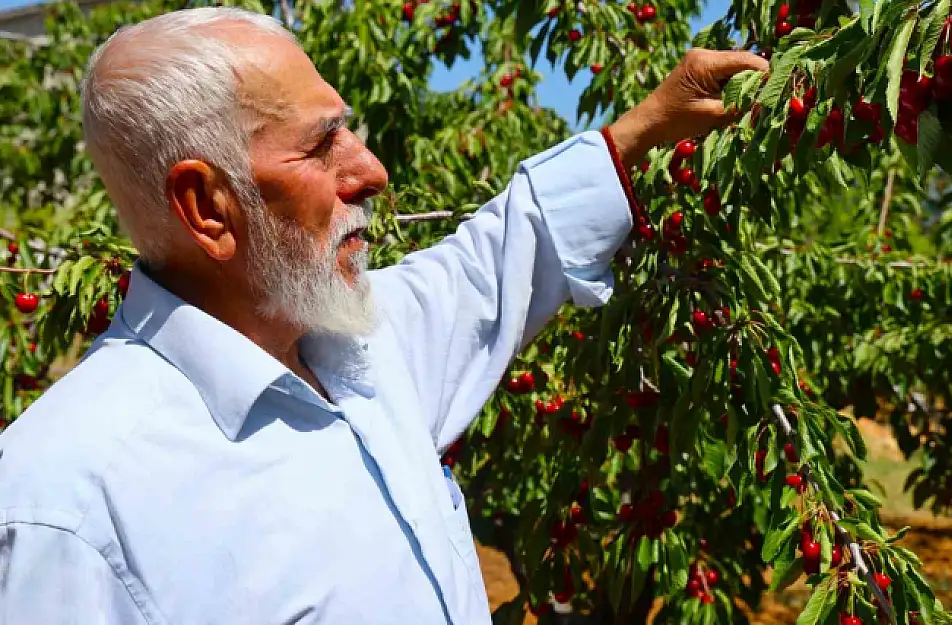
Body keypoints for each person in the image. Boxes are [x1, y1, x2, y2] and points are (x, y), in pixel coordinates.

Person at [0, 7, 766, 623]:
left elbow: (494, 257)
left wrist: (643, 129)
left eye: (350, 128)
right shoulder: (64, 511)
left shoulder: (360, 345)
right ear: (208, 206)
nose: (370, 169)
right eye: (321, 144)